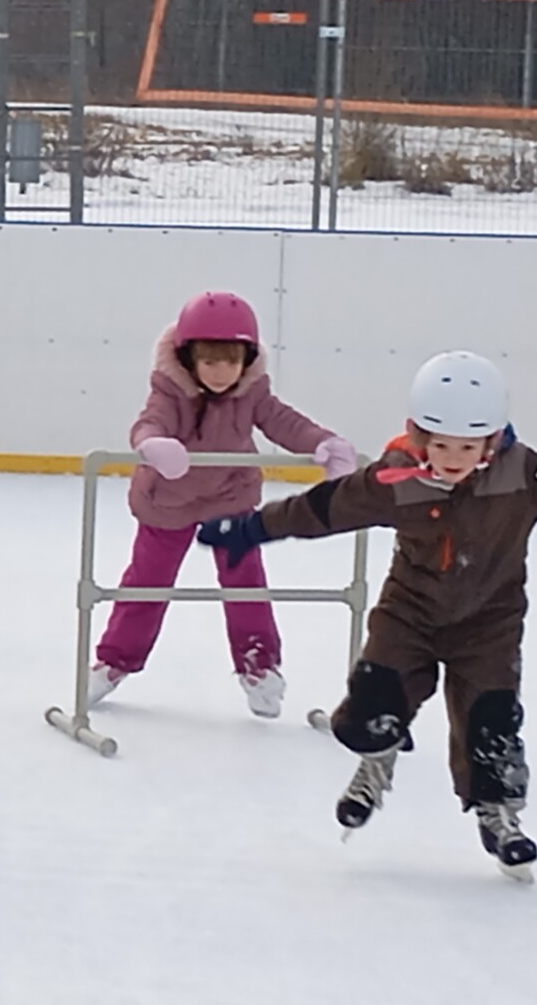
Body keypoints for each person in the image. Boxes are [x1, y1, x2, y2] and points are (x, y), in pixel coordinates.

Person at [196, 351, 537, 881]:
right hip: (409, 617)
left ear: (492, 439)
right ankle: (377, 759)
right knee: (369, 711)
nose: (453, 457)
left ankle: (498, 817)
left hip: (488, 626)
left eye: (467, 445)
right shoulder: (396, 479)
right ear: (418, 436)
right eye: (440, 444)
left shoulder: (525, 474)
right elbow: (325, 508)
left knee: (493, 728)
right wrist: (253, 528)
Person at [87, 292, 360, 718]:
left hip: (230, 497)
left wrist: (322, 442)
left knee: (245, 578)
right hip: (169, 501)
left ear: (246, 360)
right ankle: (114, 661)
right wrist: (153, 444)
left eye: (231, 361)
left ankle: (258, 665)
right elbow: (150, 421)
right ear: (188, 357)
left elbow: (282, 421)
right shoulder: (170, 389)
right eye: (210, 361)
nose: (221, 372)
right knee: (147, 581)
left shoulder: (251, 391)